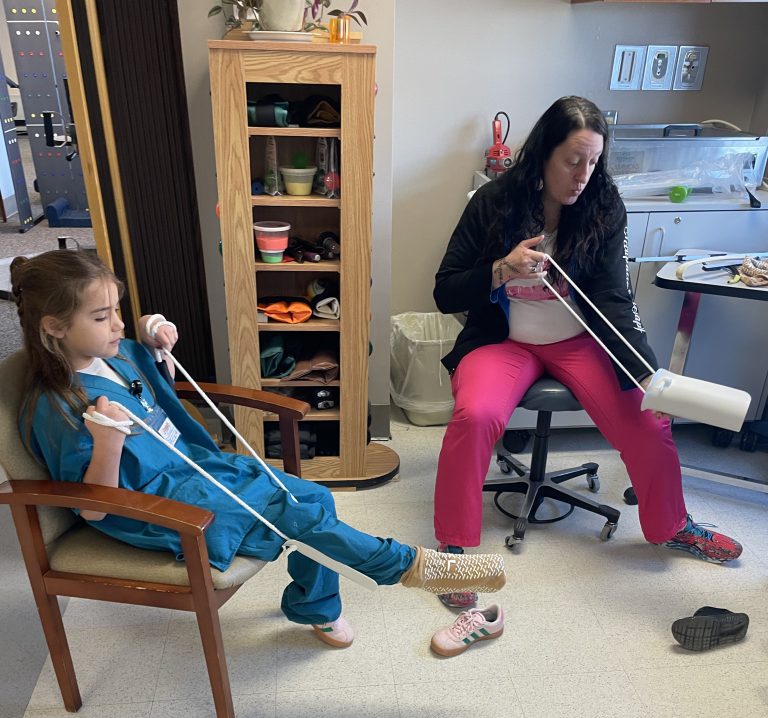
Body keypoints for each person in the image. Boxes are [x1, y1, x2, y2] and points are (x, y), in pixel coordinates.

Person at [11, 250, 506, 648]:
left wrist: (149, 326)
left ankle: (314, 607)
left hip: (196, 470)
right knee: (296, 515)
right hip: (154, 506)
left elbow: (143, 356)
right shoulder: (56, 408)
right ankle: (412, 566)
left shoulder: (113, 355)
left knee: (316, 497)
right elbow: (92, 508)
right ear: (54, 326)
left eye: (117, 311)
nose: (117, 325)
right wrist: (107, 441)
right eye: (102, 316)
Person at [432, 96, 741, 609]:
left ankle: (672, 525)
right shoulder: (493, 201)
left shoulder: (604, 205)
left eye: (593, 162)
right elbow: (445, 291)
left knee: (649, 419)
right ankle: (454, 551)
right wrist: (503, 268)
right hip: (503, 342)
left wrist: (646, 374)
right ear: (543, 154)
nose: (582, 175)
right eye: (572, 161)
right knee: (475, 414)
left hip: (581, 341)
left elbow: (615, 298)